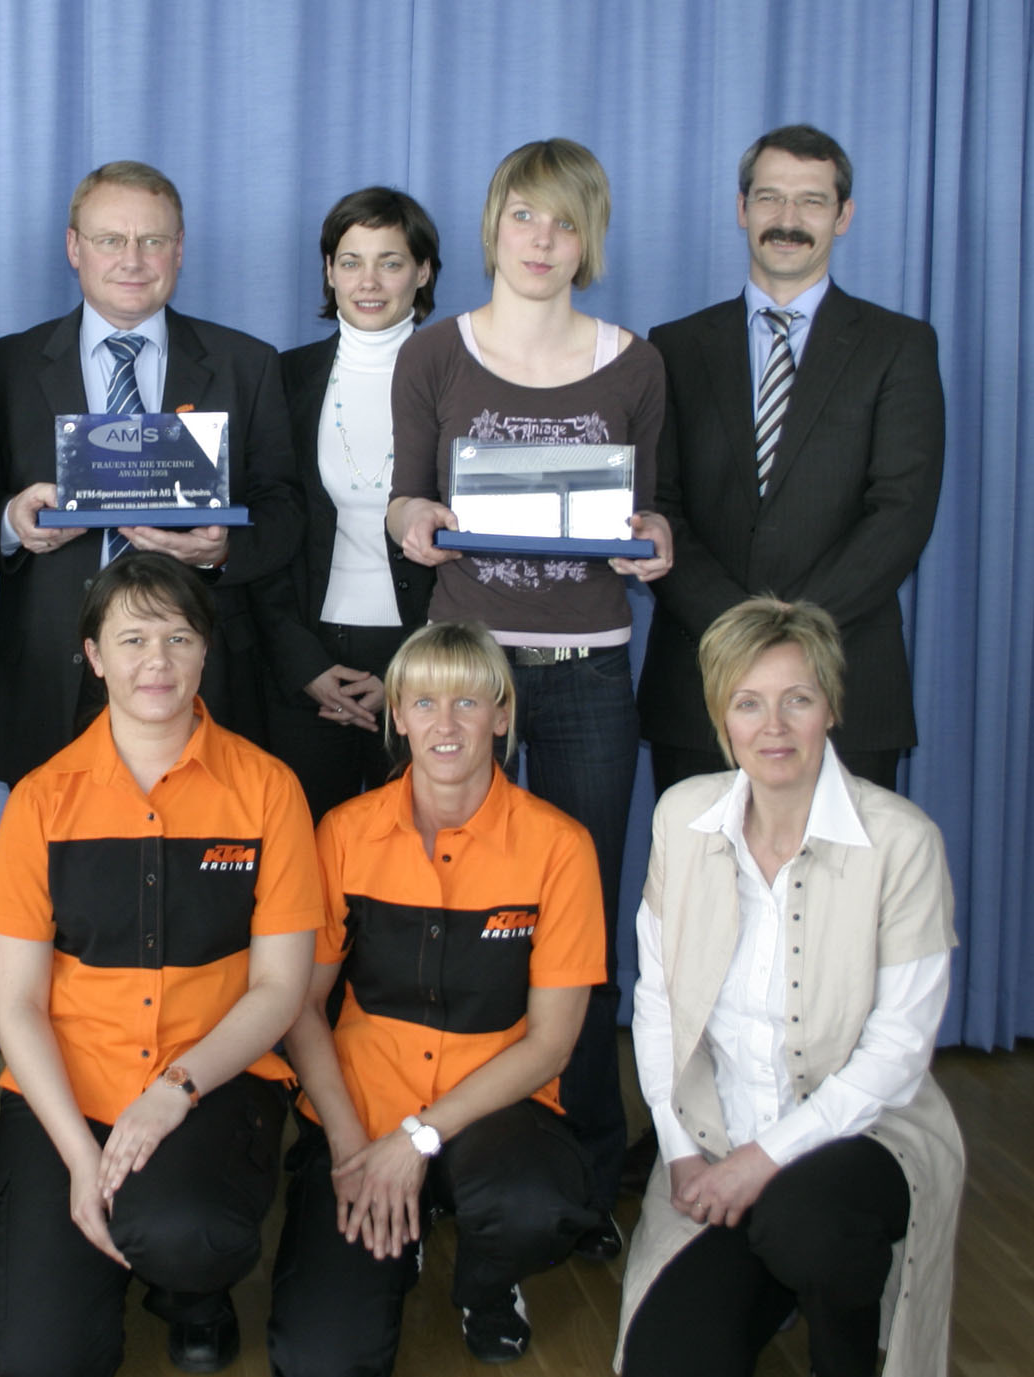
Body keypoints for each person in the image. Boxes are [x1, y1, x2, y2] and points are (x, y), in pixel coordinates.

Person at [385, 138, 672, 1256]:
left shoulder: (632, 364)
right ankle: (439, 1143)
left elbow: (652, 518)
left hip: (591, 670)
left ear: (586, 237)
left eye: (562, 222)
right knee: (447, 912)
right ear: (493, 226)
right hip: (465, 669)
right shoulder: (432, 352)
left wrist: (653, 540)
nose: (541, 242)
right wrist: (412, 523)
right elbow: (408, 500)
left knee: (577, 923)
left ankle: (585, 1167)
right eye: (521, 218)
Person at [0, 553, 320, 1376]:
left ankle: (192, 1288)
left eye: (178, 636)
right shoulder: (41, 799)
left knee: (189, 1234)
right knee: (37, 1358)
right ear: (94, 654)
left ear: (206, 651)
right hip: (70, 1089)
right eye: (131, 638)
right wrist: (82, 1158)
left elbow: (280, 988)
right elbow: (16, 1004)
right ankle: (109, 1236)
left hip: (210, 1081)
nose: (156, 661)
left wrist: (176, 1088)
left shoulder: (270, 791)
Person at [618, 597, 961, 1377]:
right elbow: (659, 1004)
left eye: (797, 699)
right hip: (715, 1142)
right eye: (749, 703)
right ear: (720, 718)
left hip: (867, 1135)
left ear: (831, 707)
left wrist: (762, 1160)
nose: (773, 726)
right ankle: (775, 1280)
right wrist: (680, 1150)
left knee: (806, 1223)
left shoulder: (902, 840)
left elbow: (898, 1054)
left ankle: (845, 1347)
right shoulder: (681, 817)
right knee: (666, 1362)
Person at [267, 621, 604, 1371]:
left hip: (496, 1113)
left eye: (467, 702)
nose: (444, 725)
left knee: (536, 1208)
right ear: (396, 714)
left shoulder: (560, 847)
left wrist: (418, 1138)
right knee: (320, 1357)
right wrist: (355, 1146)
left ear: (503, 713)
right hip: (361, 1111)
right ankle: (401, 1224)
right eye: (422, 703)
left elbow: (551, 1042)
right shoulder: (343, 832)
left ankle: (485, 1285)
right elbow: (298, 1007)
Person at [638, 125, 945, 796]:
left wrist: (790, 635)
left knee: (847, 898)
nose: (788, 221)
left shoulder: (899, 346)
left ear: (844, 216)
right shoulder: (674, 346)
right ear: (742, 209)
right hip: (700, 686)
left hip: (845, 683)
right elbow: (656, 507)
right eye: (771, 198)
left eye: (811, 201)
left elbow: (900, 512)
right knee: (701, 897)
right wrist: (740, 635)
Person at [0, 160, 302, 788]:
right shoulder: (1, 367)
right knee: (54, 879)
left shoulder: (247, 364)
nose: (133, 259)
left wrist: (225, 548)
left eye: (152, 240)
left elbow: (284, 510)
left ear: (179, 251)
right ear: (75, 248)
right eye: (111, 240)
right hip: (51, 677)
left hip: (197, 677)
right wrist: (11, 523)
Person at [252, 187, 438, 821]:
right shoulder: (281, 377)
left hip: (425, 664)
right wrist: (304, 663)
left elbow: (478, 546)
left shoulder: (463, 375)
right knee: (304, 873)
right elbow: (264, 532)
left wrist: (409, 670)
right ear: (329, 272)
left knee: (420, 867)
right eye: (350, 260)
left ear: (423, 272)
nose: (369, 280)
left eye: (390, 261)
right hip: (306, 662)